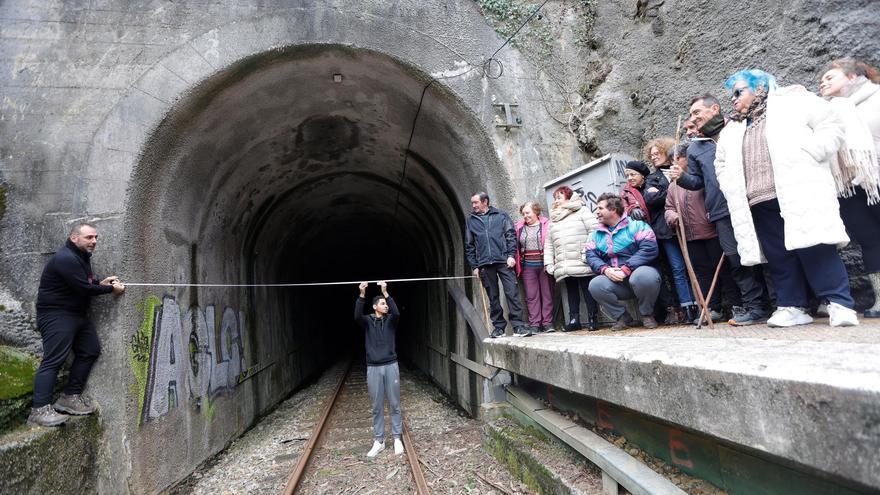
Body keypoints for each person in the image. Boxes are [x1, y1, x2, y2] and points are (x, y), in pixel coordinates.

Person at [714, 69, 858, 327]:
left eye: (739, 92)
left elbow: (831, 124)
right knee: (779, 256)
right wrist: (729, 185)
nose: (733, 99)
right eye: (732, 95)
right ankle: (792, 306)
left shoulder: (793, 102)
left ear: (760, 88)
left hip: (797, 188)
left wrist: (814, 151)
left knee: (815, 245)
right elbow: (721, 162)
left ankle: (839, 303)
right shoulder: (733, 127)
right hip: (757, 199)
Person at [669, 94, 772, 325]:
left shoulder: (737, 130)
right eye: (691, 114)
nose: (692, 119)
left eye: (696, 113)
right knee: (737, 260)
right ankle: (754, 308)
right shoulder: (696, 148)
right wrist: (682, 177)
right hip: (720, 211)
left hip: (749, 201)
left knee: (767, 253)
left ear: (714, 108)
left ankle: (780, 303)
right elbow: (697, 182)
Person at [28, 223, 125, 427]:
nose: (94, 241)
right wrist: (110, 290)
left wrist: (100, 283)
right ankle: (39, 410)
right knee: (54, 359)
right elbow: (82, 287)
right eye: (89, 237)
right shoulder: (65, 258)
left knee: (90, 349)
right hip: (57, 315)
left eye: (96, 237)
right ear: (74, 238)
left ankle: (69, 397)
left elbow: (83, 282)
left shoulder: (80, 257)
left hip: (76, 314)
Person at [818, 58, 880, 318]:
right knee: (870, 241)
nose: (823, 82)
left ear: (853, 76)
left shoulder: (875, 97)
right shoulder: (827, 111)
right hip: (850, 187)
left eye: (830, 77)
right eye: (822, 80)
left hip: (875, 177)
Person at [665, 144, 740, 324]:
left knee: (724, 270)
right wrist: (672, 216)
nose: (673, 165)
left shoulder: (700, 178)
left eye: (676, 160)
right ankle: (713, 308)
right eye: (671, 162)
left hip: (711, 231)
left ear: (686, 158)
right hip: (690, 236)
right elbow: (668, 207)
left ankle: (737, 306)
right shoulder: (672, 186)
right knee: (703, 274)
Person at [621, 157, 695, 324]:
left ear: (642, 175)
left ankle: (687, 307)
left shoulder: (652, 182)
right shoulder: (627, 192)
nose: (629, 178)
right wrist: (633, 209)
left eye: (633, 174)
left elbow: (658, 198)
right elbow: (625, 208)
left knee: (676, 268)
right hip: (646, 239)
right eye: (627, 175)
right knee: (658, 273)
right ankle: (668, 310)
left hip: (663, 232)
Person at [586, 193, 661, 331]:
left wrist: (626, 268)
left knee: (644, 276)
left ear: (613, 209)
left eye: (600, 208)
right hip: (616, 281)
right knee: (595, 284)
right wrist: (605, 270)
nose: (597, 212)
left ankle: (647, 314)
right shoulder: (595, 234)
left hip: (638, 278)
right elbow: (591, 256)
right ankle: (622, 317)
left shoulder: (637, 226)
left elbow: (649, 249)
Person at [465, 192, 531, 338]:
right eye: (472, 203)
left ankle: (518, 326)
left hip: (504, 261)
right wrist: (475, 266)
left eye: (476, 202)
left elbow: (510, 235)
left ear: (485, 202)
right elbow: (469, 245)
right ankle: (499, 327)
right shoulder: (471, 220)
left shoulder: (501, 215)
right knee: (493, 297)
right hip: (484, 264)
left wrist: (510, 256)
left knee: (512, 293)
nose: (473, 205)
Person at [355, 281, 405, 457]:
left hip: (391, 365)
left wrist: (386, 293)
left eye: (386, 303)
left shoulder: (391, 320)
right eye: (383, 303)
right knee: (376, 406)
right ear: (375, 306)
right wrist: (362, 294)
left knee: (394, 404)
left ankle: (397, 438)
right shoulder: (368, 322)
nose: (386, 306)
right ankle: (379, 441)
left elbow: (397, 312)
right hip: (373, 368)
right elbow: (357, 316)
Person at [543, 187, 601, 331]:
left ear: (569, 197)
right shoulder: (554, 218)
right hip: (564, 261)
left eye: (559, 197)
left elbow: (594, 231)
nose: (556, 201)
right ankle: (574, 320)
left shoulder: (582, 210)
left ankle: (593, 319)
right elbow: (549, 243)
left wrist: (587, 252)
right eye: (555, 198)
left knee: (588, 289)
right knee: (571, 290)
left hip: (582, 258)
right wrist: (549, 263)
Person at [515, 201, 554, 332]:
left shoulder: (546, 225)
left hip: (544, 265)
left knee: (547, 294)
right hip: (527, 266)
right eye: (523, 213)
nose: (525, 216)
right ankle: (535, 324)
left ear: (536, 212)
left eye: (528, 213)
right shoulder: (519, 227)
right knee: (531, 296)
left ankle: (548, 323)